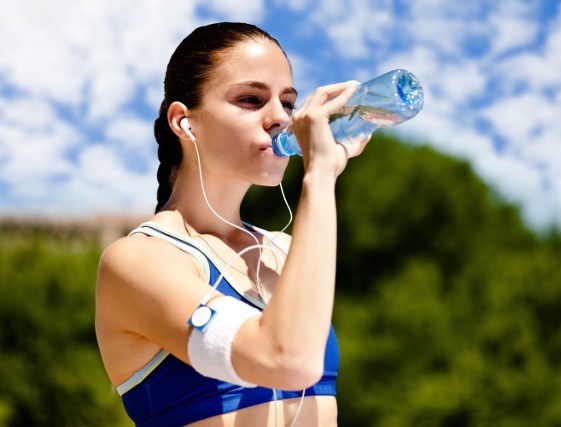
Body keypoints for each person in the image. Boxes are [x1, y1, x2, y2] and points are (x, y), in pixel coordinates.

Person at [95, 22, 369, 427]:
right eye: (251, 99)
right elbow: (285, 361)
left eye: (289, 103)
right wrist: (320, 176)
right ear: (184, 123)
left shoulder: (286, 249)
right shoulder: (137, 261)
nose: (280, 118)